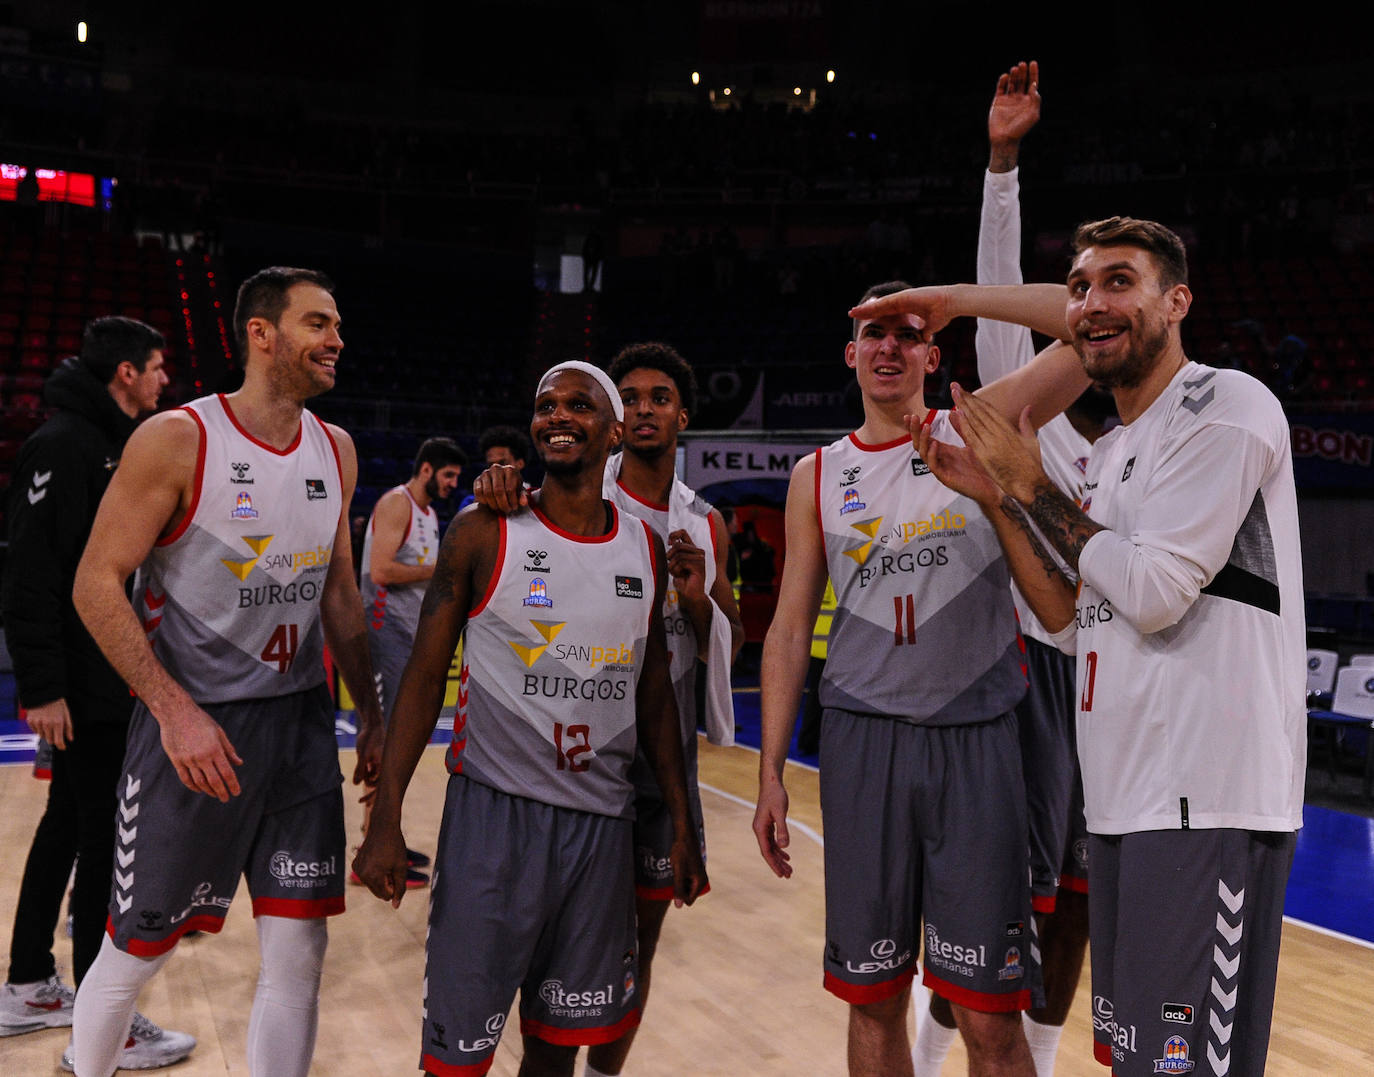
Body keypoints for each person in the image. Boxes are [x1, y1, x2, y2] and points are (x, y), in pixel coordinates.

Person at [866, 217, 1305, 1077]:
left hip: (1207, 805)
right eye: (1079, 286)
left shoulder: (1229, 403)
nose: (1093, 304)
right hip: (1125, 804)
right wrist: (1001, 500)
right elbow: (1070, 616)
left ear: (1178, 302)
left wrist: (1027, 476)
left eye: (1120, 282)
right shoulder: (1109, 454)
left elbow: (1149, 592)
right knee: (1135, 1064)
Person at [751, 276, 1090, 1077]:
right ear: (851, 355)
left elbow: (1083, 331)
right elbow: (790, 629)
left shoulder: (981, 424)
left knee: (988, 1012)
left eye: (906, 332)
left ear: (933, 352)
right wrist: (769, 768)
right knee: (872, 1000)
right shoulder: (817, 474)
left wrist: (960, 298)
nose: (889, 347)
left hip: (978, 743)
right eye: (873, 334)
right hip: (865, 744)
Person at [68, 267, 384, 1077]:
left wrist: (373, 718)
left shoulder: (336, 449)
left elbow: (341, 598)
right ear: (262, 333)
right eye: (319, 323)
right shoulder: (178, 438)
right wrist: (172, 710)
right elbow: (95, 583)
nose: (336, 340)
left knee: (300, 949)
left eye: (338, 325)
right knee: (138, 948)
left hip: (300, 728)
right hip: (195, 731)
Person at [353, 360, 706, 1077]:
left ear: (612, 435)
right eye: (546, 404)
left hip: (600, 832)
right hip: (493, 822)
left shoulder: (643, 548)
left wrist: (683, 822)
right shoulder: (482, 531)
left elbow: (656, 697)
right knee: (457, 1059)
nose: (556, 416)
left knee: (555, 1053)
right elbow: (424, 679)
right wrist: (384, 818)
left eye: (578, 405)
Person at [472, 342, 743, 1077]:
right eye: (631, 396)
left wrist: (696, 599)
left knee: (639, 942)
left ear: (684, 415)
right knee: (553, 942)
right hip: (576, 745)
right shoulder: (577, 489)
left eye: (661, 397)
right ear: (615, 419)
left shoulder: (706, 522)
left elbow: (734, 632)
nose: (645, 407)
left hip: (661, 750)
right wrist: (496, 479)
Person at [913, 61, 1105, 1077]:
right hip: (1028, 674)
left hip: (1119, 686)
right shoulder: (1017, 414)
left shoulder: (1147, 438)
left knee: (1079, 904)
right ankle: (928, 1056)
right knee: (1004, 914)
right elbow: (1006, 309)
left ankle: (1034, 1056)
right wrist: (1001, 162)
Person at [0, 317, 194, 1069]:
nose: (162, 382)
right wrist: (44, 686)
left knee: (64, 828)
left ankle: (26, 984)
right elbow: (29, 576)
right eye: (153, 368)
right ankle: (96, 1019)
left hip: (99, 682)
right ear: (122, 372)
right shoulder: (65, 443)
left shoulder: (112, 441)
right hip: (84, 689)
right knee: (98, 843)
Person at [358, 436, 467, 887]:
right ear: (426, 470)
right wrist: (441, 570)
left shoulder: (426, 514)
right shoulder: (397, 503)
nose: (452, 484)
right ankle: (370, 850)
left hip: (408, 636)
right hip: (385, 635)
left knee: (399, 739)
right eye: (448, 476)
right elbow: (381, 571)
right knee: (384, 738)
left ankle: (382, 839)